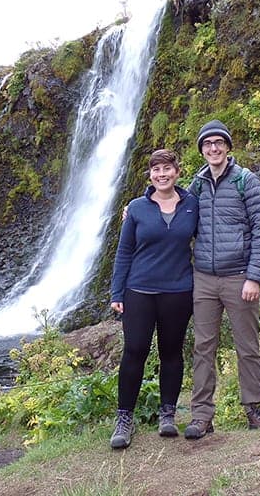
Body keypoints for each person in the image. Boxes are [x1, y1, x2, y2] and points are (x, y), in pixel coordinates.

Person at [184, 119, 260, 439]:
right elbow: (171, 209)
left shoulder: (246, 181)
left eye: (219, 142)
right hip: (204, 279)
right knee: (203, 348)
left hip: (239, 277)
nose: (213, 148)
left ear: (228, 147)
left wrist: (254, 277)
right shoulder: (196, 186)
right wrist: (137, 207)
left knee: (247, 346)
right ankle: (201, 416)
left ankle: (255, 409)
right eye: (208, 144)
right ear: (202, 150)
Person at [110, 149, 198, 449]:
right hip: (139, 290)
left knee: (171, 352)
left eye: (167, 169)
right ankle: (124, 418)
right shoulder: (136, 208)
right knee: (134, 351)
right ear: (150, 175)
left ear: (177, 172)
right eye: (156, 170)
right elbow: (124, 252)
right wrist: (117, 292)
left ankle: (168, 414)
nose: (162, 174)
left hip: (178, 290)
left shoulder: (192, 204)